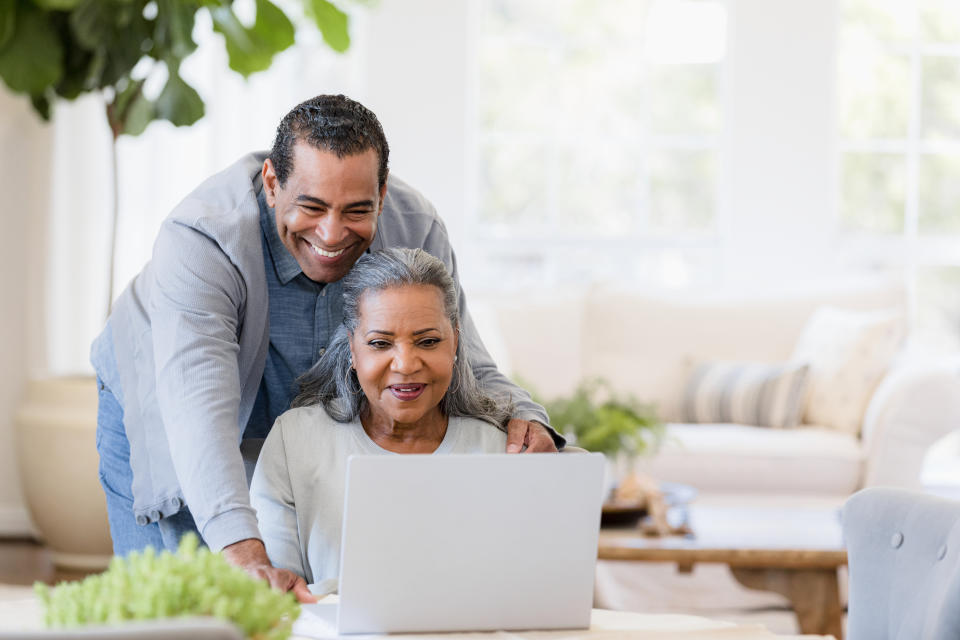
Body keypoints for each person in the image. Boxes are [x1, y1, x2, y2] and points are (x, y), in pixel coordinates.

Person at [90, 95, 561, 602]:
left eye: (357, 210)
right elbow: (197, 413)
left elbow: (462, 358)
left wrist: (529, 418)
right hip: (173, 400)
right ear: (272, 184)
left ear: (381, 193)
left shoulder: (416, 227)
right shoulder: (203, 237)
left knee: (305, 599)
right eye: (311, 207)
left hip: (300, 421)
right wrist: (244, 552)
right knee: (184, 602)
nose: (332, 234)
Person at [251, 247, 513, 591]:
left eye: (429, 341)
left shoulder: (501, 450)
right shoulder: (295, 440)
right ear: (352, 349)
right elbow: (279, 597)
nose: (405, 364)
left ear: (456, 343)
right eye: (380, 343)